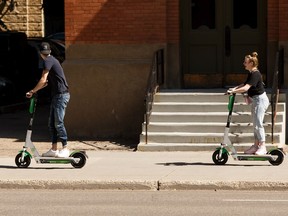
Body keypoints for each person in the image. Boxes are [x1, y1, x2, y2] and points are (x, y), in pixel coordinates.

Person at [26, 42, 70, 158]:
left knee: (58, 123)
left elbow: (43, 79)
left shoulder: (47, 61)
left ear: (41, 54)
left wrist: (32, 91)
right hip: (57, 95)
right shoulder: (52, 60)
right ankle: (54, 149)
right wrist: (36, 90)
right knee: (51, 124)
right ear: (49, 51)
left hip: (61, 95)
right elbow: (45, 82)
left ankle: (65, 148)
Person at [228, 52, 269, 155]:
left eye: (245, 62)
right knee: (255, 124)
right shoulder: (251, 73)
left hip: (260, 100)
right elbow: (245, 84)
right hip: (256, 100)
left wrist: (233, 91)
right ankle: (255, 146)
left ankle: (263, 146)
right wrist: (234, 88)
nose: (243, 64)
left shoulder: (256, 73)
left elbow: (246, 88)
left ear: (251, 63)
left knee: (258, 124)